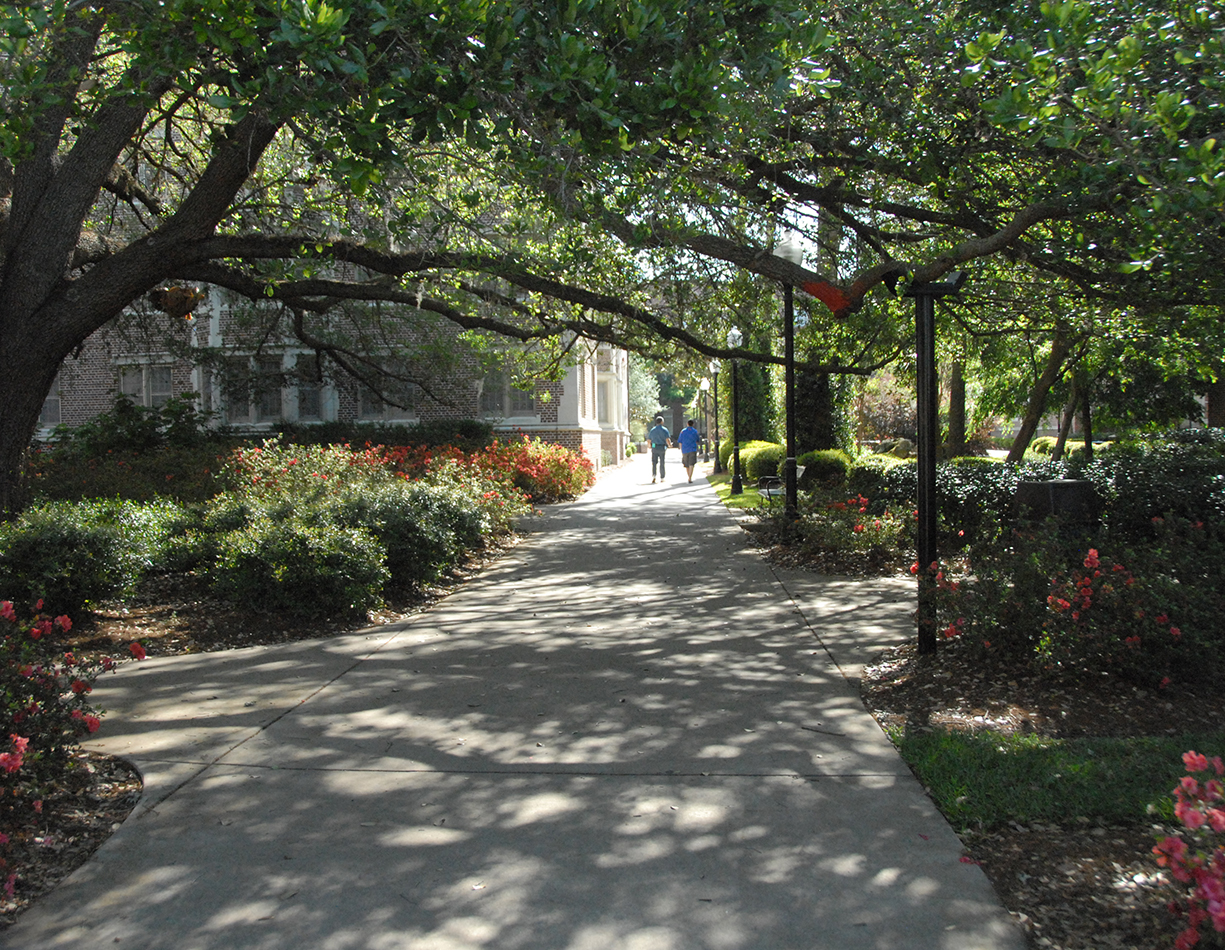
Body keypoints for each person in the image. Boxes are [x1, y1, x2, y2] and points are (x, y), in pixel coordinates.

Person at [647, 415, 671, 483]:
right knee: (662, 462)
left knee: (654, 462)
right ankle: (662, 477)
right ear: (662, 422)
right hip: (662, 447)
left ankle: (654, 475)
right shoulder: (664, 429)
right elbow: (667, 439)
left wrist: (649, 446)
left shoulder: (652, 430)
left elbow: (649, 440)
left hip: (654, 447)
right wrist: (669, 445)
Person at [677, 418, 701, 482]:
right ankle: (690, 477)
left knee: (686, 464)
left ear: (687, 424)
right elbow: (697, 440)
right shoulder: (695, 431)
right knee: (691, 464)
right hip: (693, 449)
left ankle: (689, 476)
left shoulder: (683, 431)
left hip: (685, 449)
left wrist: (681, 449)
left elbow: (680, 441)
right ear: (693, 424)